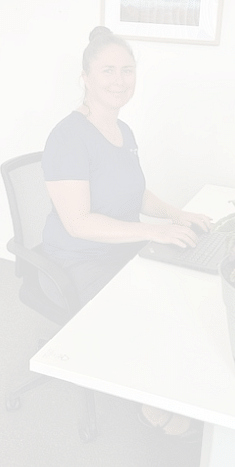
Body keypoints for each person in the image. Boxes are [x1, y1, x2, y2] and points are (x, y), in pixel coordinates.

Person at [41, 26, 210, 440]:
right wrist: (152, 232)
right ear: (85, 77)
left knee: (186, 285)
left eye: (127, 70)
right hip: (77, 259)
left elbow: (135, 191)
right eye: (107, 71)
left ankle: (171, 381)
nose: (119, 80)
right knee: (152, 303)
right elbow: (78, 222)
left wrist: (177, 214)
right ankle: (152, 402)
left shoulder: (123, 130)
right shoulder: (66, 137)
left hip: (120, 245)